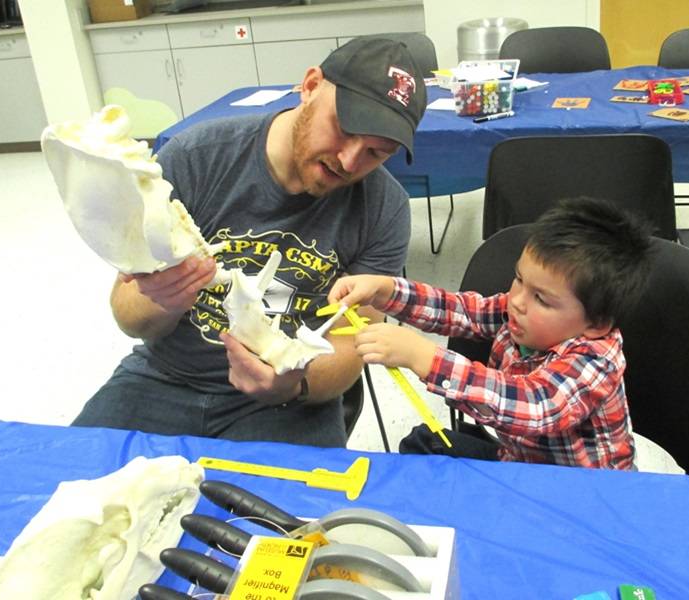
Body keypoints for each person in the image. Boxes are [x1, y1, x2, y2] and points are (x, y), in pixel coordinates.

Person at [72, 37, 427, 447]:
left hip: (285, 402)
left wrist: (293, 386)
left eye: (375, 153)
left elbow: (350, 343)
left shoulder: (384, 208)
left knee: (292, 511)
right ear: (310, 86)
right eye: (344, 129)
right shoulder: (195, 159)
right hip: (164, 378)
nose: (349, 162)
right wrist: (161, 299)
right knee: (71, 486)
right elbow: (129, 315)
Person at [327, 197, 654, 469]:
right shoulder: (521, 315)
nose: (517, 302)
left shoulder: (595, 360)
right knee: (424, 443)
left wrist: (424, 358)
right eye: (519, 279)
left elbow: (532, 406)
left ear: (595, 324)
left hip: (583, 496)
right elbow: (459, 311)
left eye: (541, 298)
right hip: (519, 464)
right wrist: (385, 290)